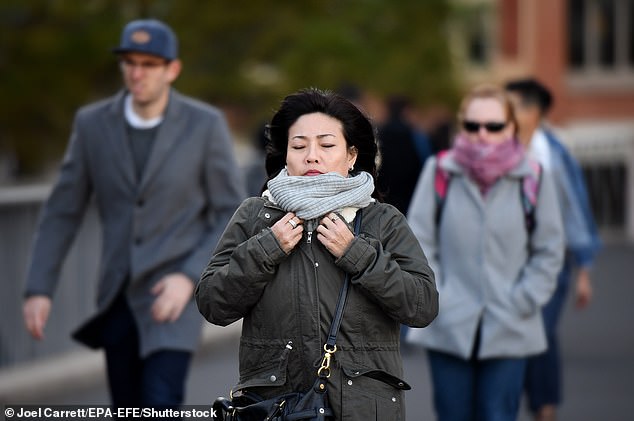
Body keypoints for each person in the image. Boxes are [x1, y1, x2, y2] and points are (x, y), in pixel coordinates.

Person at [22, 19, 245, 409]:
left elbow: (230, 209)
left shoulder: (204, 125)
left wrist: (188, 276)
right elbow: (63, 210)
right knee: (126, 406)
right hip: (116, 298)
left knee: (161, 400)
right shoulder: (92, 125)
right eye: (130, 62)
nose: (137, 73)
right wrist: (39, 287)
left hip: (172, 300)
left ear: (172, 69)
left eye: (149, 63)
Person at [195, 88, 439, 420]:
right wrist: (268, 247)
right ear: (285, 154)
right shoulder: (255, 216)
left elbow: (422, 305)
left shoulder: (383, 220)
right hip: (278, 407)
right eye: (299, 146)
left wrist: (357, 254)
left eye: (326, 145)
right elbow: (213, 303)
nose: (312, 156)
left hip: (364, 408)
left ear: (351, 155)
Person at [406, 84, 565, 421]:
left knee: (498, 414)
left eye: (493, 126)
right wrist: (441, 296)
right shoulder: (440, 171)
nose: (482, 134)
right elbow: (418, 242)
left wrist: (524, 298)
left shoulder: (533, 176)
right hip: (448, 322)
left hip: (510, 323)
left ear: (511, 128)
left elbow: (550, 250)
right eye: (472, 126)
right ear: (461, 126)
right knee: (453, 415)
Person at [506, 78, 602, 421]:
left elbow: (576, 211)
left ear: (534, 112)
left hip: (550, 263)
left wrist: (585, 271)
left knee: (539, 333)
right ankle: (527, 406)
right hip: (506, 265)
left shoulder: (555, 155)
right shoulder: (496, 150)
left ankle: (544, 408)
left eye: (513, 105)